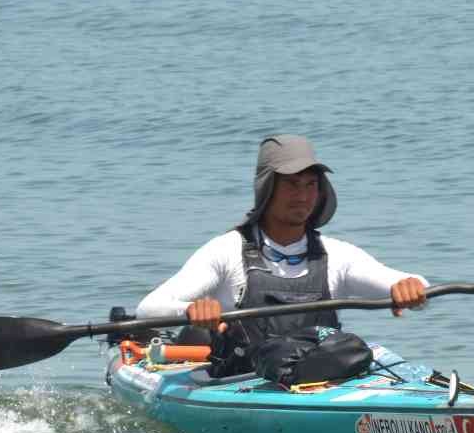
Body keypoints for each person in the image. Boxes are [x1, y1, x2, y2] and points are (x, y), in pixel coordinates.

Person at [135, 134, 428, 372]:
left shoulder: (338, 255)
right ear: (267, 189)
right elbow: (148, 309)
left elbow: (414, 284)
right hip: (241, 381)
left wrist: (410, 288)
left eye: (311, 185)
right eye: (291, 184)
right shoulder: (225, 251)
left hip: (315, 379)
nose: (302, 196)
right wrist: (190, 311)